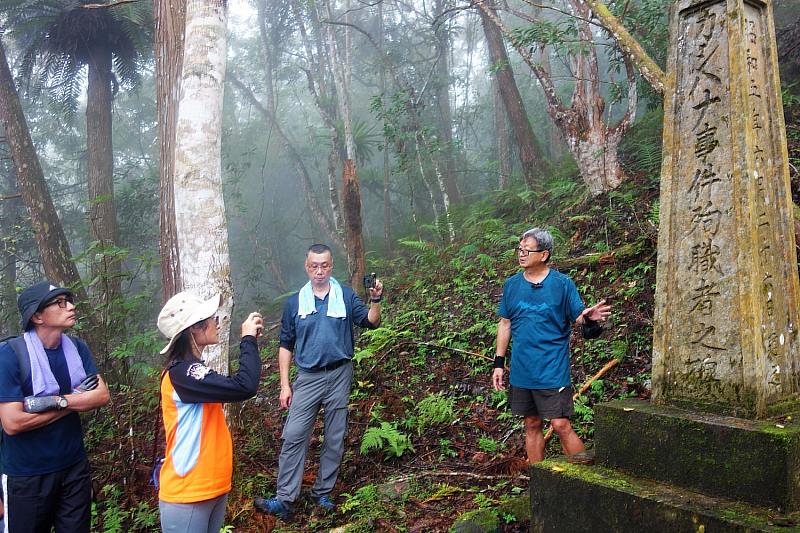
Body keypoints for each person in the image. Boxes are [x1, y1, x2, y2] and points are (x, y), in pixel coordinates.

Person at [255, 243, 383, 519]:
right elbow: (286, 344)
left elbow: (371, 322)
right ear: (306, 267)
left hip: (340, 373)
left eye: (324, 265)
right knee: (293, 435)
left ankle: (322, 493)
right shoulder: (295, 303)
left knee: (334, 437)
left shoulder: (346, 296)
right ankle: (285, 498)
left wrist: (375, 299)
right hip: (308, 377)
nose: (319, 271)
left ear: (331, 265)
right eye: (314, 265)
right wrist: (285, 384)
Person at [492, 228, 611, 464]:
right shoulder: (512, 285)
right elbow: (505, 324)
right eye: (520, 249)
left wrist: (588, 317)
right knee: (531, 422)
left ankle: (585, 476)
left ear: (544, 254)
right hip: (522, 368)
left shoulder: (562, 284)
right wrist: (499, 363)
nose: (521, 254)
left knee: (560, 424)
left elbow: (578, 316)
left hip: (551, 367)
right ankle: (538, 480)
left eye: (527, 250)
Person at [0, 281, 110, 532]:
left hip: (74, 469)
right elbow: (13, 423)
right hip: (26, 475)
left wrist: (56, 402)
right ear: (37, 315)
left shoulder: (77, 348)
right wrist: (75, 401)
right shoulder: (9, 355)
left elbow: (102, 395)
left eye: (68, 301)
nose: (71, 306)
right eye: (60, 303)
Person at [155, 291, 263, 533]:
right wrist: (247, 339)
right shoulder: (182, 374)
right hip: (188, 491)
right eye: (211, 317)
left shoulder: (193, 371)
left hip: (211, 485)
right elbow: (245, 386)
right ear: (194, 328)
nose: (217, 321)